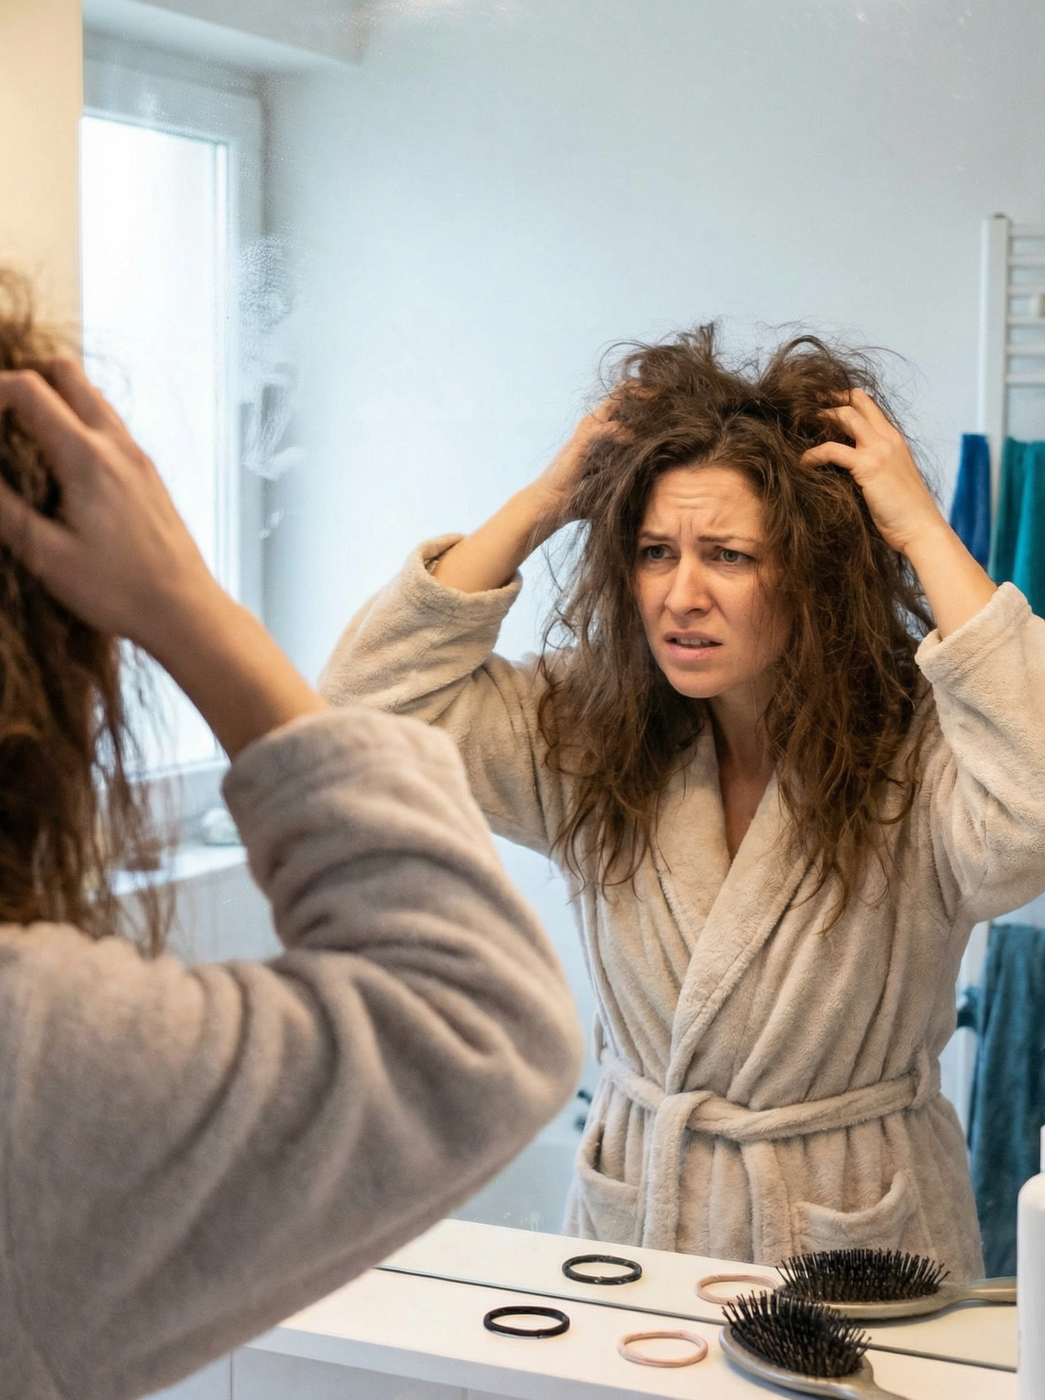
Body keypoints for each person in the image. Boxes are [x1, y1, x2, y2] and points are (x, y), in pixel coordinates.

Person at [0, 257, 583, 1397]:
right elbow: (480, 1027)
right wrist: (187, 607)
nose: (685, 591)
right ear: (13, 686)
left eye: (727, 554)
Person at [321, 326, 1045, 1278]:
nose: (680, 595)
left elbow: (1034, 814)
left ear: (817, 574)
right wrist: (544, 503)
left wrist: (919, 529)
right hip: (643, 1220)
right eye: (655, 551)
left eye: (729, 556)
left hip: (859, 1229)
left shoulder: (920, 749)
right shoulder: (589, 731)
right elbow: (358, 714)